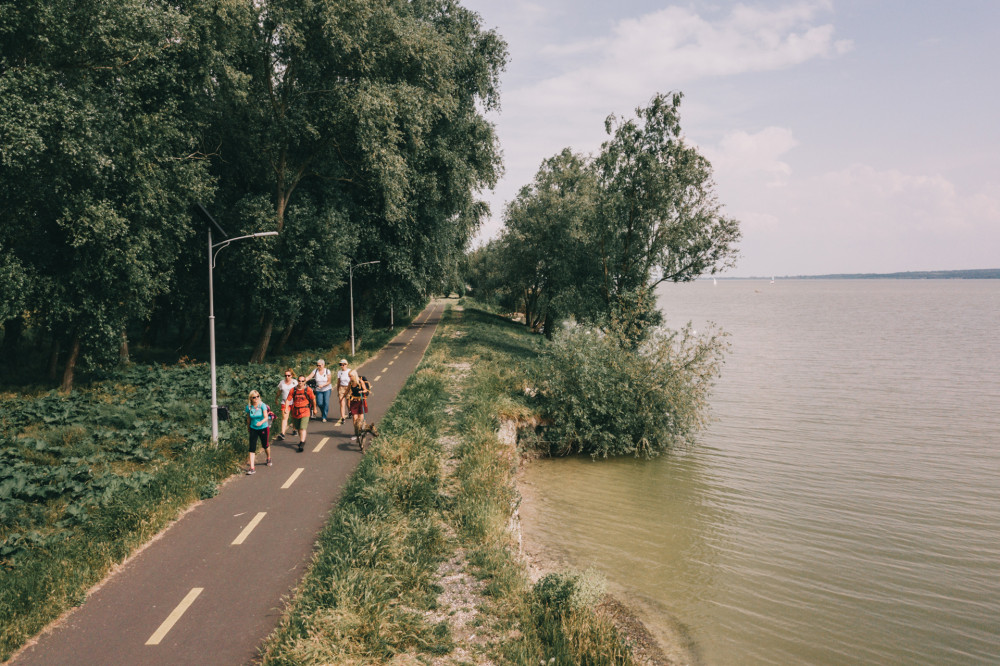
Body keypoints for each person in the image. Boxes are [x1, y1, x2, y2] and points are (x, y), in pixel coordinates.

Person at [347, 368, 378, 452]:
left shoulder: (360, 382)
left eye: (350, 376)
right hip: (354, 401)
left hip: (360, 401)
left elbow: (365, 390)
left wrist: (362, 391)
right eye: (349, 376)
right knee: (354, 418)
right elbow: (348, 391)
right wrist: (347, 396)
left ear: (354, 375)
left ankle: (362, 430)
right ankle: (357, 432)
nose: (349, 377)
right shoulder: (350, 383)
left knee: (361, 418)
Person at [244, 390, 272, 474]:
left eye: (257, 396)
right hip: (253, 428)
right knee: (252, 447)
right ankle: (252, 467)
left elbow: (266, 417)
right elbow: (248, 418)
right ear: (251, 398)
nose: (256, 398)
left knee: (265, 445)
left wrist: (261, 422)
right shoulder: (249, 407)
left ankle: (268, 457)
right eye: (254, 397)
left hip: (263, 427)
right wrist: (248, 427)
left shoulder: (262, 405)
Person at [288, 374, 317, 452]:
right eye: (299, 381)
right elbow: (288, 399)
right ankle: (302, 440)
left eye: (302, 381)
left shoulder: (308, 390)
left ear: (305, 382)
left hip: (305, 410)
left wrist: (314, 409)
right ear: (297, 381)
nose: (300, 382)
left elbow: (313, 399)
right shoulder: (293, 390)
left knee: (302, 427)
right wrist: (286, 408)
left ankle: (302, 442)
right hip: (295, 411)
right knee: (298, 428)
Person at [275, 368, 297, 441]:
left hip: (293, 402)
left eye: (288, 375)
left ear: (291, 376)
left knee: (294, 416)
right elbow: (279, 392)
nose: (287, 377)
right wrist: (276, 399)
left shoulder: (295, 383)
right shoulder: (282, 383)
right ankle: (282, 433)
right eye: (285, 376)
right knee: (285, 417)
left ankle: (294, 429)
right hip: (284, 402)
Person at [335, 359, 351, 425]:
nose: (342, 366)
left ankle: (350, 411)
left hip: (348, 387)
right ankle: (343, 418)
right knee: (342, 403)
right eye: (340, 365)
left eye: (343, 364)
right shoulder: (339, 372)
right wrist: (338, 389)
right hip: (341, 388)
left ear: (346, 364)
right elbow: (338, 381)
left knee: (348, 402)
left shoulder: (349, 371)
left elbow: (352, 380)